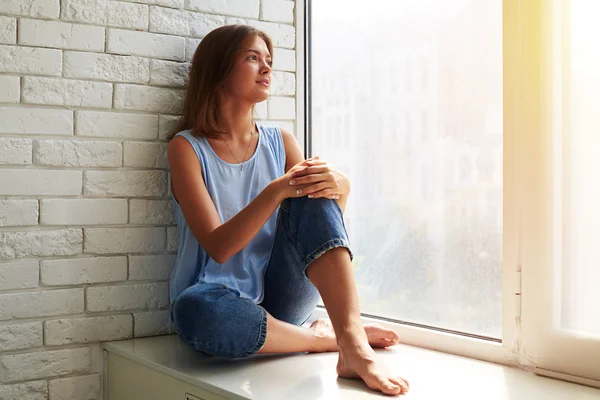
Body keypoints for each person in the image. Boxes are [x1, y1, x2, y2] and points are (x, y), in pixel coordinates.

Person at [167, 24, 409, 396]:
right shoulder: (186, 148)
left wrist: (342, 187)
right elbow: (218, 247)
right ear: (218, 69)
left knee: (312, 187)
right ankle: (325, 341)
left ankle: (351, 341)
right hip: (216, 303)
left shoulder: (281, 141)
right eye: (252, 58)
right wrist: (276, 190)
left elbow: (320, 222)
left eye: (269, 61)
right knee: (193, 310)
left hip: (283, 296)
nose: (266, 69)